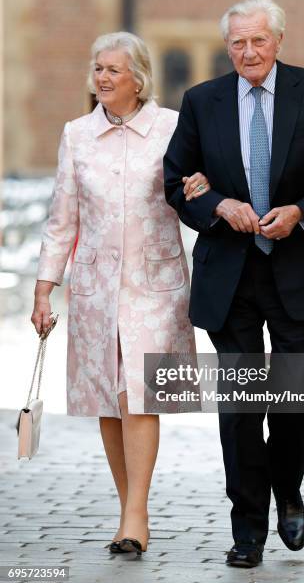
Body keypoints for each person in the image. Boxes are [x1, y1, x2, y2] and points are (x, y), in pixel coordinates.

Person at [164, 0, 304, 567]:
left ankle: (289, 492)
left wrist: (300, 212)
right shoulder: (202, 101)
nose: (248, 52)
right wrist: (220, 204)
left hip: (303, 270)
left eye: (258, 41)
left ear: (278, 40)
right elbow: (176, 181)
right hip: (231, 276)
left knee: (294, 403)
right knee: (242, 408)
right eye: (237, 43)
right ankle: (247, 525)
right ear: (227, 47)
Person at [31, 32, 209, 556]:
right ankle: (129, 506)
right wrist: (45, 290)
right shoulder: (76, 134)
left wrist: (203, 188)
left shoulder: (173, 127)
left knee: (139, 395)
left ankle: (136, 515)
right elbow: (62, 219)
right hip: (93, 287)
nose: (102, 78)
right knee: (108, 399)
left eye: (113, 69)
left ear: (139, 77)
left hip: (155, 284)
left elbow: (195, 187)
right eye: (97, 68)